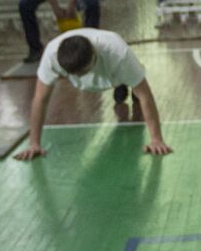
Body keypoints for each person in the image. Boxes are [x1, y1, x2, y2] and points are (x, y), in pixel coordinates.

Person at [13, 29, 171, 160]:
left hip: (113, 71)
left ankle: (123, 83)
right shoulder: (51, 56)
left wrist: (156, 139)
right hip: (107, 69)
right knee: (121, 78)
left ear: (94, 52)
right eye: (76, 74)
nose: (81, 76)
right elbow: (40, 99)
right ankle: (121, 83)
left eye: (84, 71)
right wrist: (34, 143)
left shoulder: (118, 53)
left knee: (135, 84)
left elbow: (145, 95)